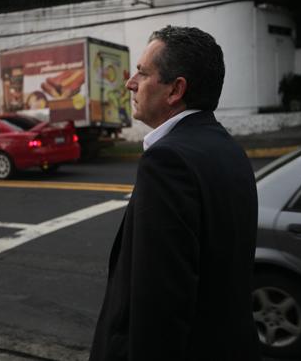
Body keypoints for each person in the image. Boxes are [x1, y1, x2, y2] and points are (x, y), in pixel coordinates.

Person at [89, 26, 260, 361]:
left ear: (175, 90)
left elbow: (160, 306)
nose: (130, 83)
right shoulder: (229, 150)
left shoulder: (167, 162)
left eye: (142, 72)